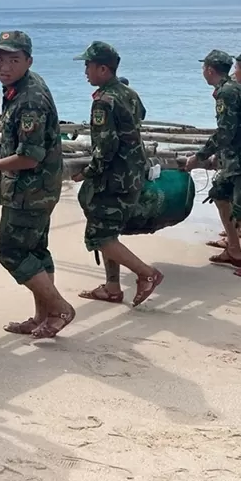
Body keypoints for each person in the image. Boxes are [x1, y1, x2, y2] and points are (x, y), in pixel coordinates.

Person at [0, 31, 74, 338]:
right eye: (0, 59)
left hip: (30, 190)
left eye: (13, 60)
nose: (4, 67)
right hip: (38, 187)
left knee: (11, 252)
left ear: (28, 61)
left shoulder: (29, 100)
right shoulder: (22, 86)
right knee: (36, 251)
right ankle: (43, 316)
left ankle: (60, 309)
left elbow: (29, 156)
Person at [71, 42, 163, 306]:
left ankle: (147, 273)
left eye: (88, 66)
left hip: (113, 179)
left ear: (103, 69)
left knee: (99, 236)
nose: (85, 72)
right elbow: (140, 115)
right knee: (109, 232)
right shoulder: (129, 93)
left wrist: (87, 172)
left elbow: (106, 148)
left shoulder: (103, 102)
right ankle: (112, 287)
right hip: (133, 174)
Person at [183, 50, 241, 277]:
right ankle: (234, 250)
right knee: (219, 194)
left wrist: (199, 157)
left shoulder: (227, 92)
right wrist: (218, 154)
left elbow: (225, 132)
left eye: (203, 68)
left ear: (209, 70)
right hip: (239, 159)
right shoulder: (233, 89)